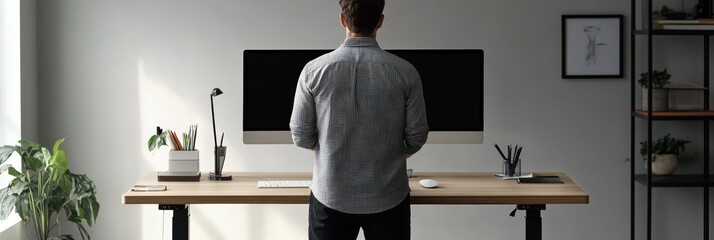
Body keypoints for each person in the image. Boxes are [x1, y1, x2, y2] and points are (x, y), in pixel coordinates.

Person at [289, 0, 429, 239]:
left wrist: (333, 147)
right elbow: (416, 137)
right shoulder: (406, 72)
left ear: (343, 19)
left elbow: (301, 136)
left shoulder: (313, 71)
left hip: (331, 196)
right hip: (388, 197)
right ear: (380, 22)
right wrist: (386, 152)